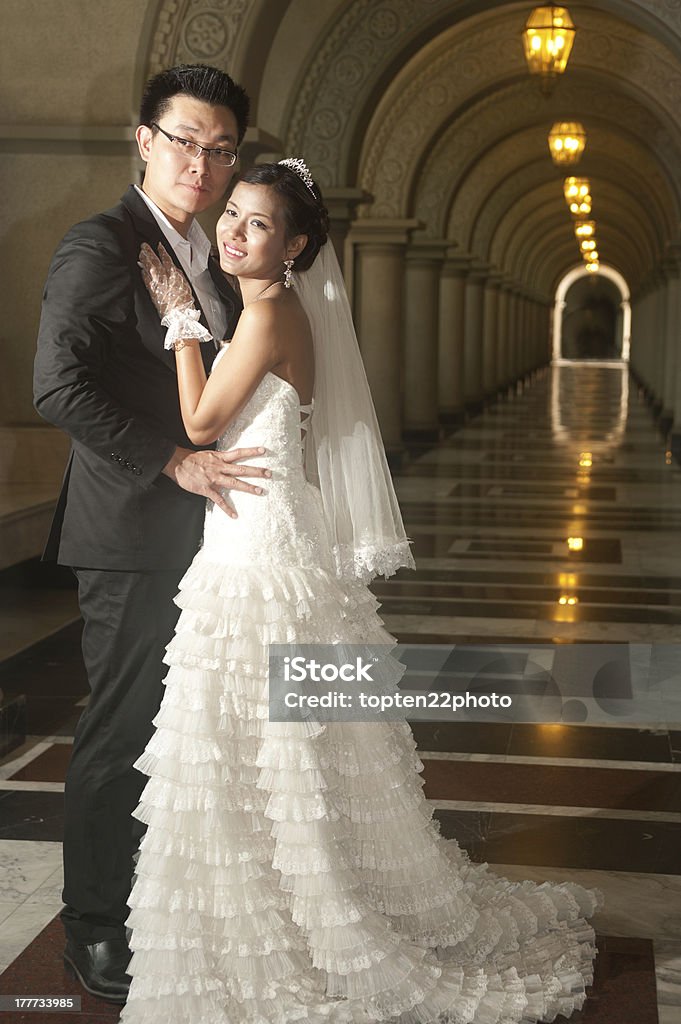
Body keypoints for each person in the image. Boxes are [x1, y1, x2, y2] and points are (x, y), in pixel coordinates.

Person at [120, 159, 600, 1024]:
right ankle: (286, 889)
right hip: (266, 524)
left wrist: (180, 321)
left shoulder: (266, 314)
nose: (233, 230)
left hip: (259, 544)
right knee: (279, 732)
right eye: (232, 214)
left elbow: (197, 425)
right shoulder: (279, 308)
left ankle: (300, 906)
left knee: (263, 729)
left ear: (295, 245)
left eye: (257, 223)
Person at [32, 64, 271, 1003]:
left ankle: (164, 898)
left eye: (219, 150)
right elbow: (58, 386)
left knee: (190, 730)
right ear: (144, 139)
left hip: (210, 534)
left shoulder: (213, 252)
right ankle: (92, 924)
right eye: (183, 141)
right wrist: (173, 462)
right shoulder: (99, 244)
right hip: (130, 529)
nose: (200, 165)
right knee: (121, 727)